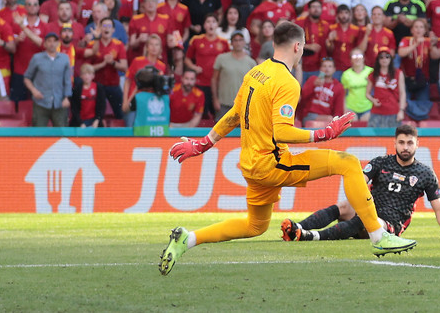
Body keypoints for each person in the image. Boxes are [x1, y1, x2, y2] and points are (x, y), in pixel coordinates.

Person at [159, 22, 417, 275]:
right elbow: (281, 131)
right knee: (348, 163)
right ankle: (378, 236)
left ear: (274, 44)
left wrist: (205, 142)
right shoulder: (287, 82)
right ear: (297, 46)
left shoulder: (255, 73)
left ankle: (188, 239)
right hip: (272, 162)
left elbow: (235, 113)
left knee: (255, 226)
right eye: (303, 47)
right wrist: (323, 133)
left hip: (251, 164)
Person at [282, 124, 440, 242]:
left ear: (417, 144)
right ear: (395, 143)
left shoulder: (425, 173)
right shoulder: (380, 162)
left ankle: (310, 236)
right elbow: (358, 183)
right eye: (401, 142)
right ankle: (295, 228)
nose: (405, 147)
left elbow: (439, 209)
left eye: (410, 143)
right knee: (344, 206)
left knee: (368, 220)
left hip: (390, 224)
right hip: (369, 210)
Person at [24, 31, 72, 127]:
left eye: (54, 41)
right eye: (49, 41)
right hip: (41, 102)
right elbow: (27, 77)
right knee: (39, 134)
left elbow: (67, 80)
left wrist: (67, 98)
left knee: (62, 134)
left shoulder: (65, 58)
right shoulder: (37, 58)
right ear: (45, 43)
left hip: (59, 102)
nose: (52, 44)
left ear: (58, 43)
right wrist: (34, 91)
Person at [211, 31, 257, 120]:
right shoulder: (221, 58)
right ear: (231, 43)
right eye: (235, 40)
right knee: (220, 132)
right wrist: (215, 99)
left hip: (243, 105)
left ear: (244, 42)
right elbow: (214, 79)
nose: (238, 43)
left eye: (240, 40)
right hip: (224, 104)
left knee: (242, 132)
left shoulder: (251, 62)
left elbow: (254, 85)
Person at [366, 47, 406, 128]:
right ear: (378, 59)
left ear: (391, 58)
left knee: (393, 138)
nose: (384, 59)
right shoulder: (373, 74)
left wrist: (401, 111)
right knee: (373, 139)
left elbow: (402, 93)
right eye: (381, 57)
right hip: (377, 112)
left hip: (393, 112)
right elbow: (367, 93)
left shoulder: (398, 73)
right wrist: (373, 100)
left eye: (387, 56)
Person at [300, 57, 345, 121]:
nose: (327, 69)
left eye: (330, 66)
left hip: (327, 117)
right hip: (309, 115)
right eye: (324, 66)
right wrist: (313, 85)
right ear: (320, 68)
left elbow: (339, 109)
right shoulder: (312, 79)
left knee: (331, 119)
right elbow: (302, 97)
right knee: (329, 119)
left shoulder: (338, 87)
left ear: (334, 69)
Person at [341, 47, 374, 122]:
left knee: (366, 130)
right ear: (350, 59)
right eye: (354, 56)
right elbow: (343, 94)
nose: (357, 58)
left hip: (368, 107)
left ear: (363, 58)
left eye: (359, 56)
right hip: (351, 107)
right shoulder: (346, 74)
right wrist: (344, 109)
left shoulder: (371, 71)